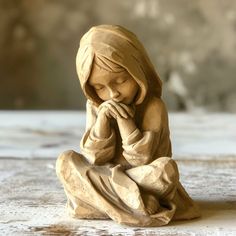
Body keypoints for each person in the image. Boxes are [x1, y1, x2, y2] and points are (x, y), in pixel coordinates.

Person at [56, 25, 200, 227]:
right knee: (66, 161)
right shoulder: (96, 106)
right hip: (106, 172)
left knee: (165, 171)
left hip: (141, 176)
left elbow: (142, 159)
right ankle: (136, 200)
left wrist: (125, 122)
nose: (113, 94)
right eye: (99, 87)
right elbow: (94, 157)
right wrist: (103, 121)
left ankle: (100, 200)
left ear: (137, 70)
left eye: (121, 81)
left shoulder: (153, 106)